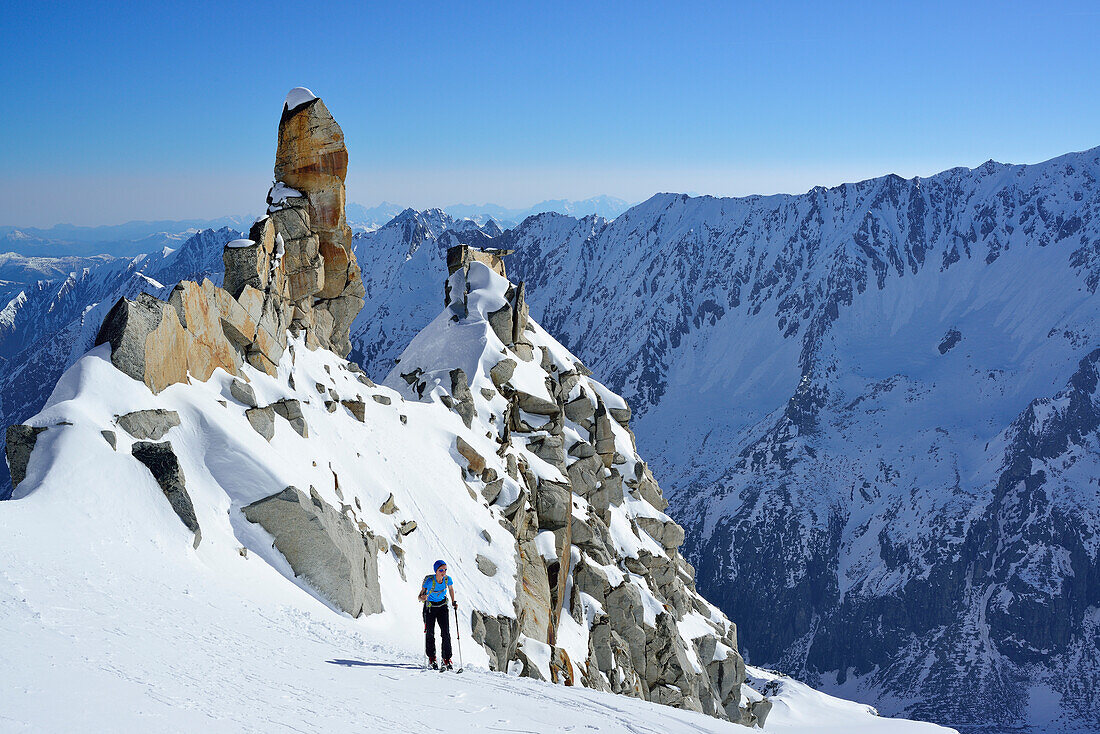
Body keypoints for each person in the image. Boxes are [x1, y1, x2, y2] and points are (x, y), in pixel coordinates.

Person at [420, 559, 457, 669]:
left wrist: (454, 601)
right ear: (436, 570)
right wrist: (423, 598)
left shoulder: (447, 579)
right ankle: (432, 658)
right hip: (430, 608)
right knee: (430, 633)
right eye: (441, 570)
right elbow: (420, 596)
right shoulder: (429, 582)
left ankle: (446, 658)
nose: (443, 572)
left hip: (442, 607)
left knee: (446, 632)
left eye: (445, 569)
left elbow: (450, 589)